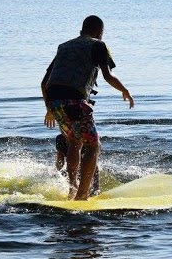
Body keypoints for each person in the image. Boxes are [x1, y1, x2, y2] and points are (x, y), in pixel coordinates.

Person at [41, 15, 134, 200]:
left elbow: (44, 83)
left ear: (81, 30)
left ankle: (73, 188)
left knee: (74, 142)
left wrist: (49, 109)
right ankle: (82, 195)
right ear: (100, 32)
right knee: (93, 146)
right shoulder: (98, 45)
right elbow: (108, 76)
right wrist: (125, 91)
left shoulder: (64, 46)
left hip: (55, 102)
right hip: (75, 101)